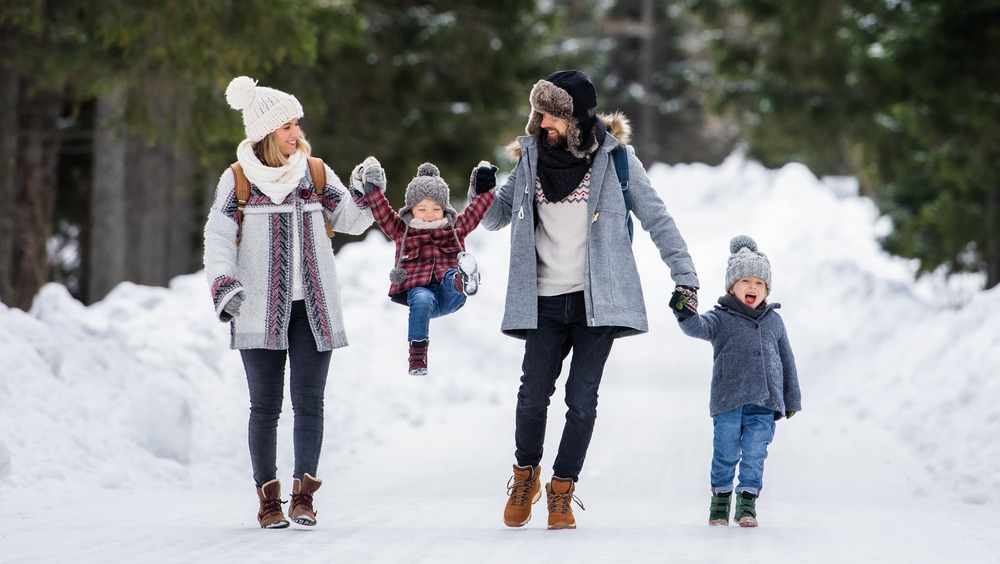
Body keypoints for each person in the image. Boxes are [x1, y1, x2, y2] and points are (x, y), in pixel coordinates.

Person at [480, 69, 700, 529]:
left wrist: (685, 276)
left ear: (576, 118)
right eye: (539, 114)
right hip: (541, 298)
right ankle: (525, 476)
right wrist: (480, 191)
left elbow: (658, 219)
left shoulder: (618, 161)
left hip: (596, 302)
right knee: (532, 395)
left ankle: (562, 489)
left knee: (582, 400)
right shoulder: (530, 158)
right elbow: (494, 218)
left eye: (551, 117)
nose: (542, 124)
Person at [203, 76, 374, 529]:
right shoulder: (237, 180)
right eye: (287, 127)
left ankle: (303, 498)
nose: (295, 133)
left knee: (310, 403)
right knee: (264, 407)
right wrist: (224, 286)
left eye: (296, 124)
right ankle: (268, 501)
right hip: (257, 309)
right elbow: (218, 238)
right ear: (265, 132)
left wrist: (368, 189)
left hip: (312, 310)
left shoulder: (314, 173)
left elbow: (353, 220)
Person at [670, 235, 802, 528]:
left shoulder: (774, 321)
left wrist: (791, 399)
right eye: (745, 282)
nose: (752, 287)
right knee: (725, 452)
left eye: (759, 283)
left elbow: (787, 360)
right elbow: (697, 327)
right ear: (732, 287)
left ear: (766, 290)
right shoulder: (721, 318)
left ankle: (747, 503)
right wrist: (683, 311)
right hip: (728, 400)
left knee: (756, 453)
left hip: (765, 402)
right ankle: (720, 501)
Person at [359, 158, 497, 375]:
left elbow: (475, 211)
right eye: (422, 208)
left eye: (436, 208)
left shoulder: (454, 229)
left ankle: (464, 281)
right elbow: (382, 212)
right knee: (422, 297)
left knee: (451, 277)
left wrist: (485, 188)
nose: (429, 214)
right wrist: (372, 188)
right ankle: (417, 357)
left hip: (450, 294)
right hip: (422, 300)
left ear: (445, 209)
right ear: (411, 210)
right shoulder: (401, 230)